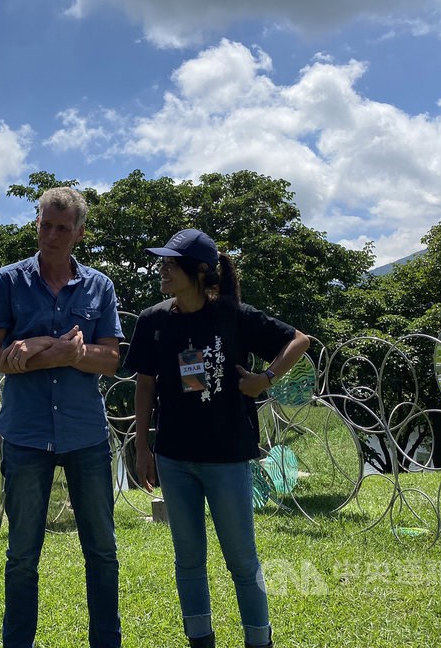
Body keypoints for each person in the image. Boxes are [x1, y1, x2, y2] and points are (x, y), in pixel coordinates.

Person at [128, 230, 310, 648]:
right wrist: (142, 447)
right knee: (188, 561)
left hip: (227, 457)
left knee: (242, 560)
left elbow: (298, 341)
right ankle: (200, 640)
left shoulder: (233, 315)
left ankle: (258, 641)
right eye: (163, 261)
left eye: (172, 263)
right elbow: (144, 385)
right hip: (174, 458)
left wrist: (264, 380)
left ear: (200, 271)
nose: (163, 269)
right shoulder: (153, 321)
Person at [0, 186, 123, 648]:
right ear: (36, 223)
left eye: (64, 227)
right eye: (46, 224)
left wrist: (41, 348)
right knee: (22, 555)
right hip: (26, 434)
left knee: (102, 552)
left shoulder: (100, 286)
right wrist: (60, 349)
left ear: (80, 232)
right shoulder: (7, 282)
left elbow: (111, 359)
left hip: (86, 435)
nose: (53, 235)